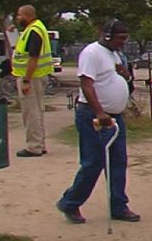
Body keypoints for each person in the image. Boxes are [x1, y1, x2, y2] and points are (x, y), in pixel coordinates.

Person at [56, 20, 141, 224]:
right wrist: (99, 112)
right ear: (107, 35)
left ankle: (118, 206)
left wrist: (126, 76)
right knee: (93, 163)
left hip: (116, 117)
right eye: (120, 38)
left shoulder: (116, 54)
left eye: (125, 38)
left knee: (118, 161)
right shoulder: (91, 53)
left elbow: (122, 80)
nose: (123, 42)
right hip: (94, 116)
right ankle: (70, 202)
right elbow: (87, 84)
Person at [12, 5, 53, 157]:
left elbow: (33, 57)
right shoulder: (37, 28)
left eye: (19, 15)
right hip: (37, 76)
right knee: (37, 111)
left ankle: (34, 146)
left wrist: (26, 80)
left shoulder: (33, 31)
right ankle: (39, 144)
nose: (18, 18)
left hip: (31, 77)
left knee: (31, 112)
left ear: (27, 15)